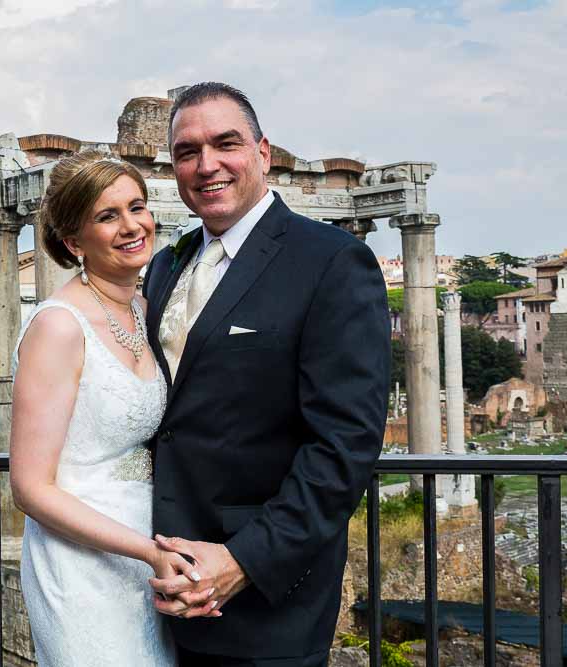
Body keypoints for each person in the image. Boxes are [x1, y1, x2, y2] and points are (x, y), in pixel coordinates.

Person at [141, 82, 391, 666]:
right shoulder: (164, 265)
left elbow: (344, 444)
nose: (206, 165)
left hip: (262, 599)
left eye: (225, 143)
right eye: (186, 151)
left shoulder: (330, 260)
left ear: (262, 152)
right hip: (155, 586)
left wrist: (244, 562)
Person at [10, 150, 199, 666]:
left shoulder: (145, 308)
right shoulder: (59, 326)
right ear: (74, 242)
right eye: (107, 216)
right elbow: (29, 488)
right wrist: (149, 552)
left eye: (136, 207)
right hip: (80, 563)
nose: (131, 226)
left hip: (147, 552)